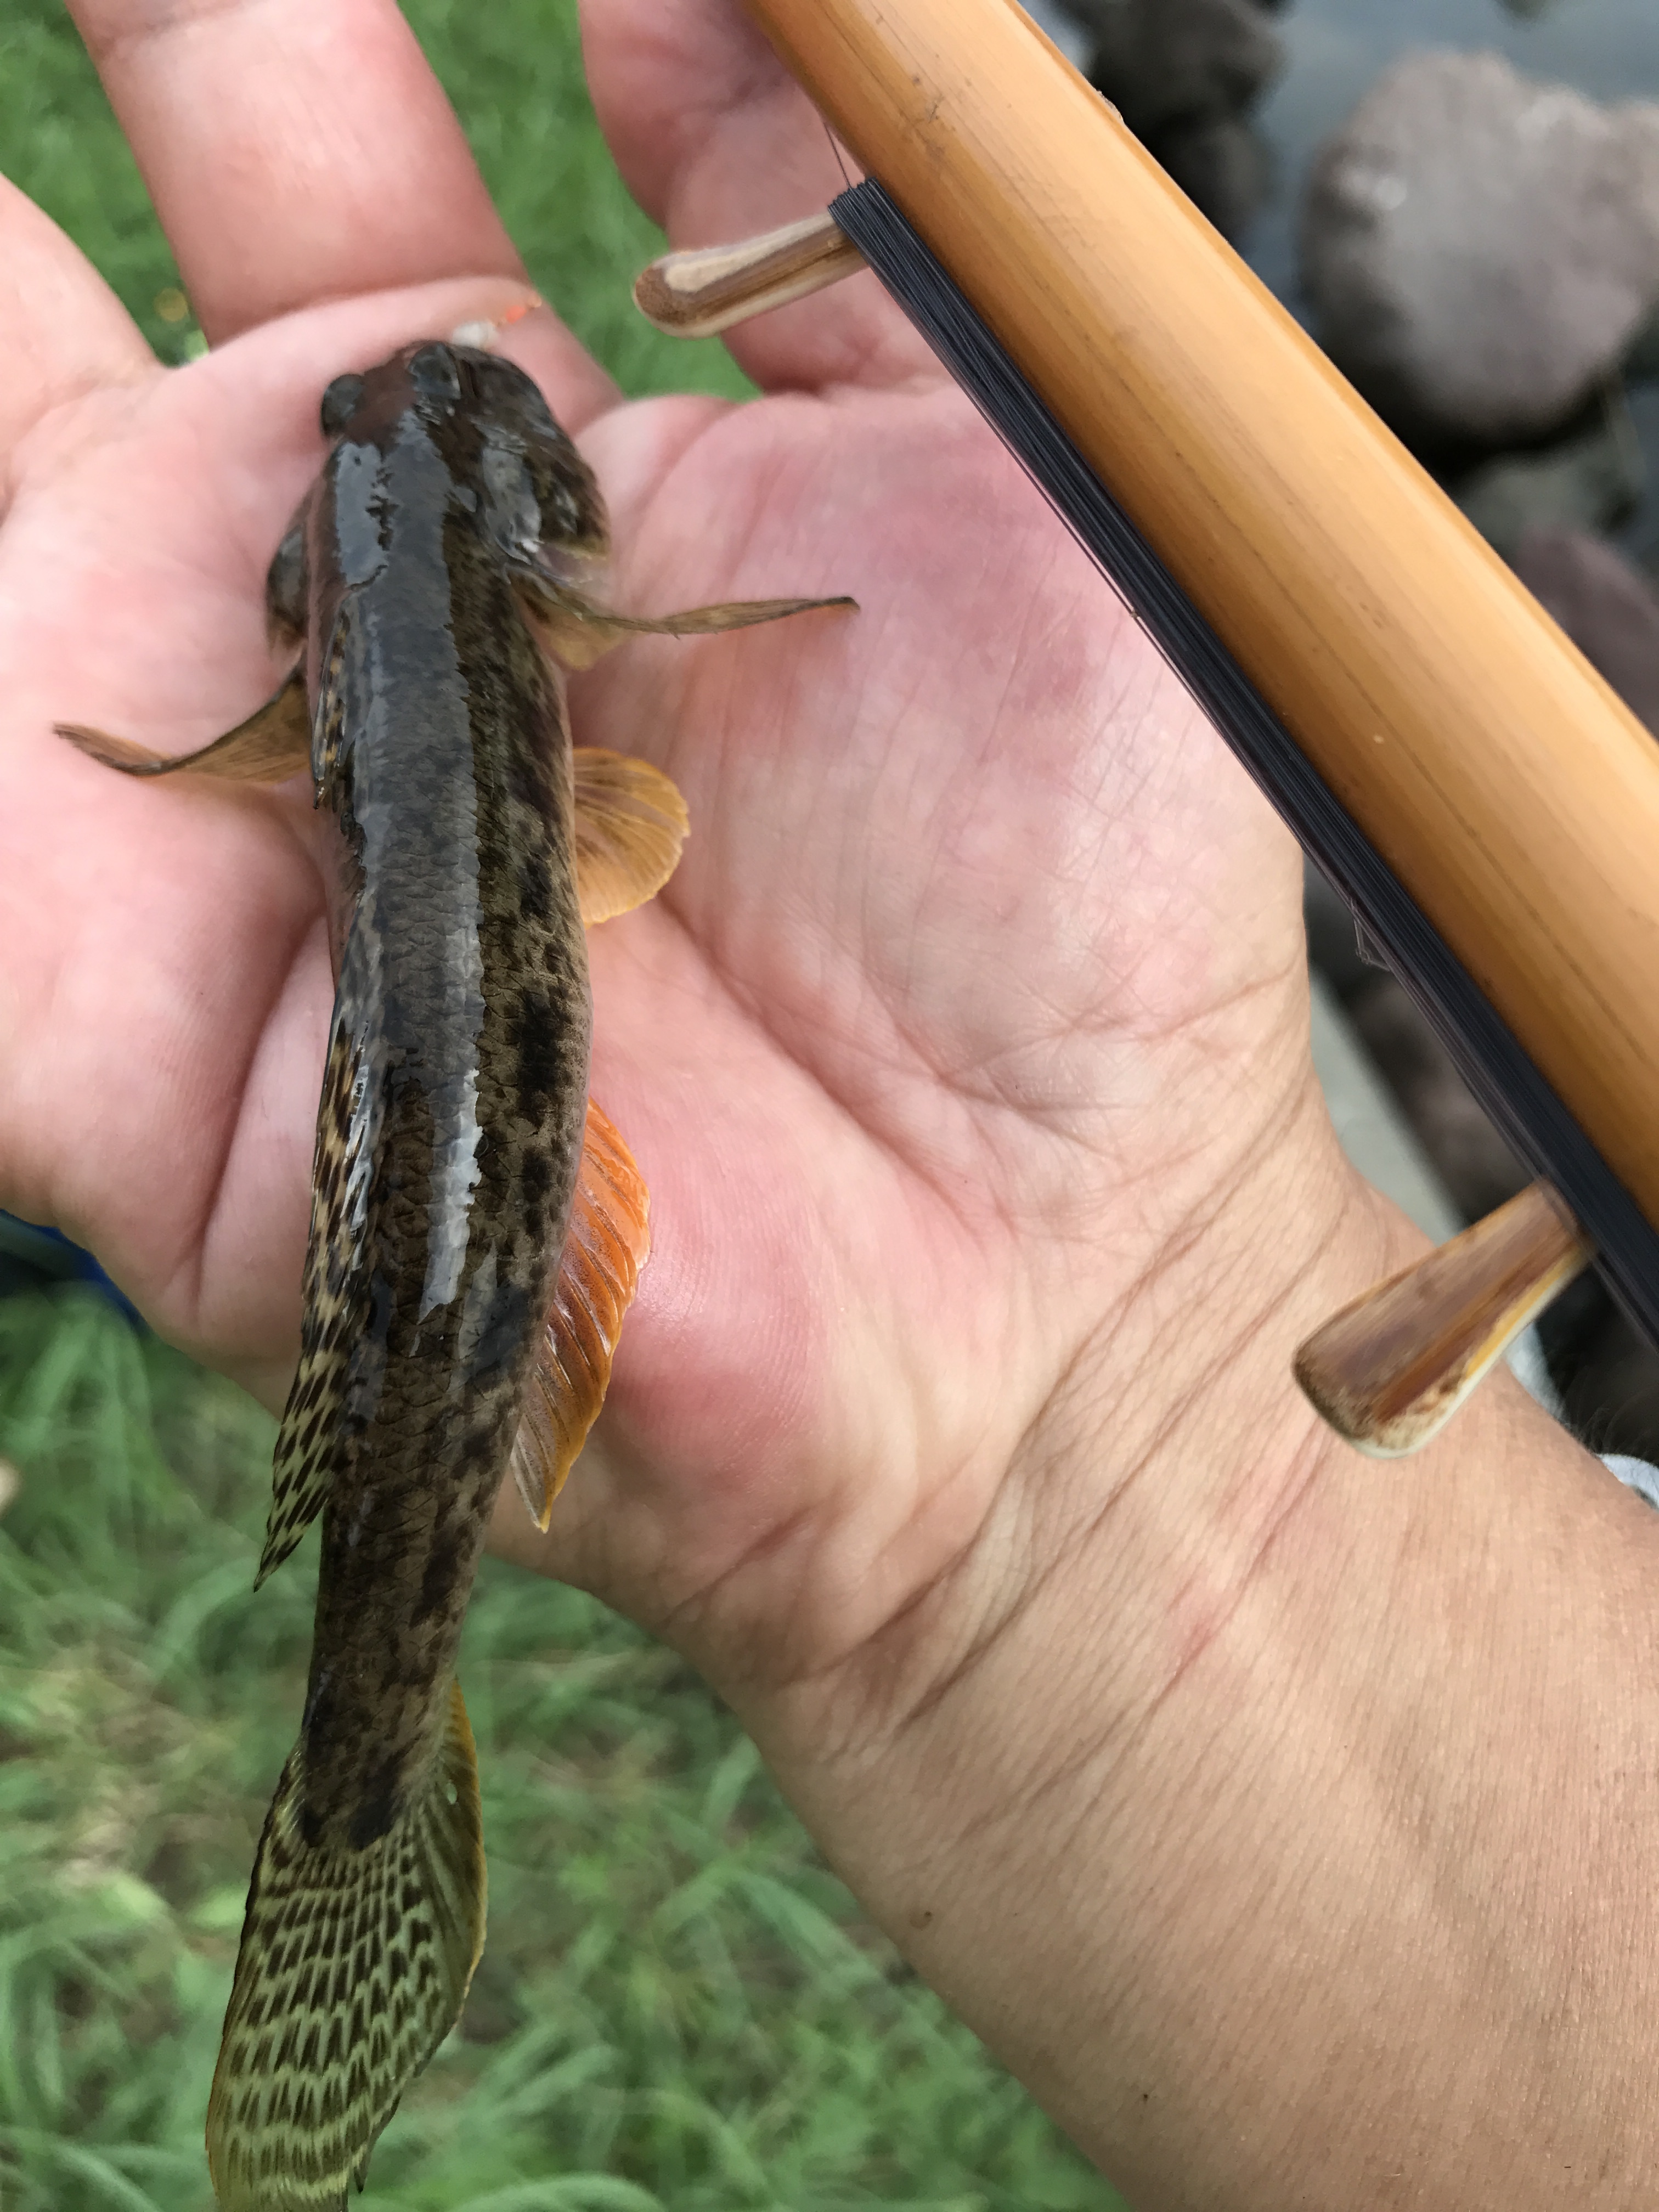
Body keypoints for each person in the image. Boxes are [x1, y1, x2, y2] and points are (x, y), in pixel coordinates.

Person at [2, 2, 1655, 2204]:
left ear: (304, 649)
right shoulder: (546, 628)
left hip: (446, 1086)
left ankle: (354, 1761)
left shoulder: (343, 653)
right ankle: (357, 1775)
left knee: (436, 1263)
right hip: (464, 1115)